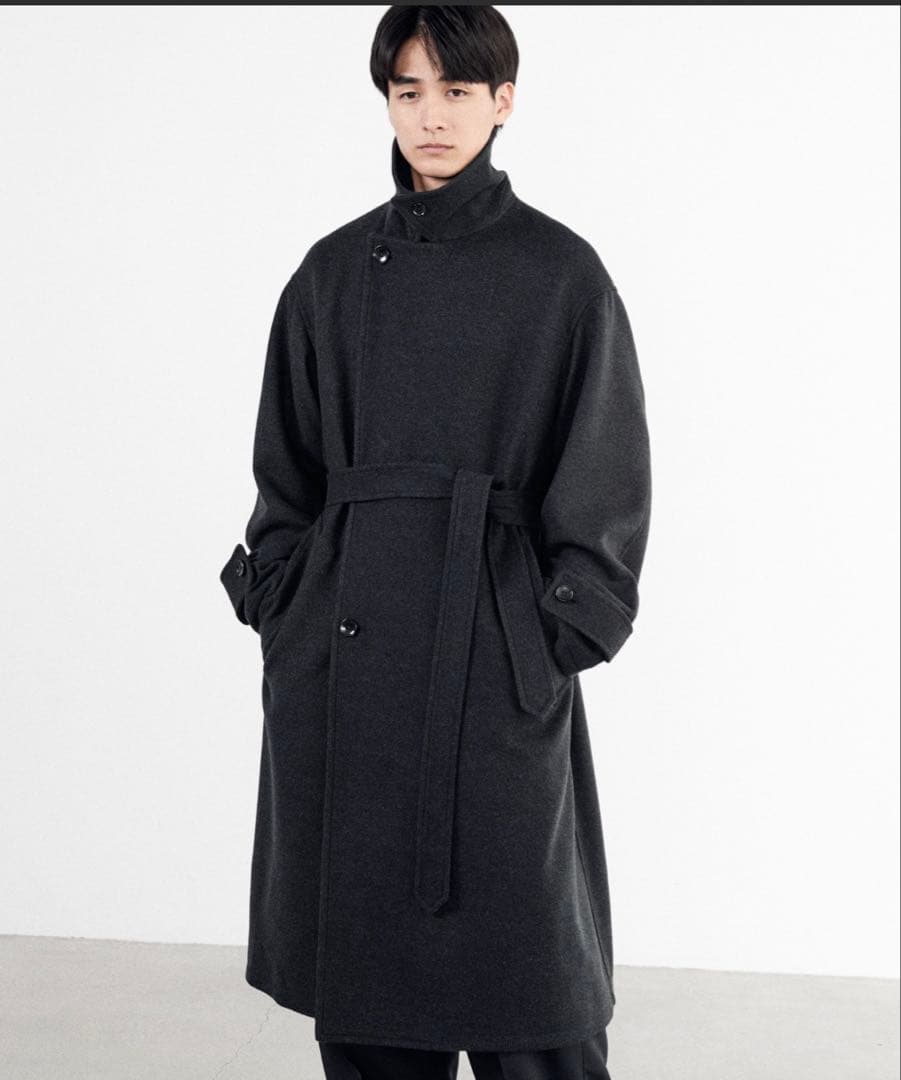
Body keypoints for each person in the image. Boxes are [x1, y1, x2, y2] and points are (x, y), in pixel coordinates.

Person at [219, 6, 652, 1079]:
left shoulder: (561, 275)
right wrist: (291, 606)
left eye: (457, 91)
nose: (432, 116)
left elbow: (602, 481)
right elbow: (285, 479)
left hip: (493, 659)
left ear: (503, 101)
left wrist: (546, 638)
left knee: (534, 1002)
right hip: (350, 668)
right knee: (372, 1010)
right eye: (408, 91)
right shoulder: (329, 274)